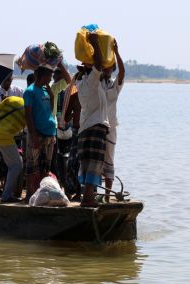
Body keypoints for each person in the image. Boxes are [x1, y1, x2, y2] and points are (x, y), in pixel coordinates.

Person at [76, 33, 109, 207]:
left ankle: (86, 197)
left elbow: (98, 69)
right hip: (96, 127)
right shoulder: (90, 82)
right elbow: (98, 64)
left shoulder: (81, 83)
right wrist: (96, 43)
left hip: (85, 129)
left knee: (87, 164)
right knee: (95, 164)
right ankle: (88, 198)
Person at [23, 66, 57, 202]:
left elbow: (51, 107)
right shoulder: (30, 91)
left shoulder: (45, 90)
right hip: (37, 134)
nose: (51, 79)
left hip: (49, 133)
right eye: (49, 76)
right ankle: (29, 196)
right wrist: (34, 135)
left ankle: (41, 197)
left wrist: (51, 93)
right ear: (42, 76)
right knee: (32, 168)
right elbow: (28, 114)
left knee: (45, 168)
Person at [102, 39, 125, 202]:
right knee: (94, 161)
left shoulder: (114, 85)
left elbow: (123, 73)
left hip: (110, 128)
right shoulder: (95, 81)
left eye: (109, 67)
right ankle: (93, 193)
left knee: (109, 161)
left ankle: (107, 195)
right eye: (104, 67)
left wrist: (116, 52)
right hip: (96, 125)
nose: (106, 69)